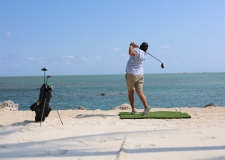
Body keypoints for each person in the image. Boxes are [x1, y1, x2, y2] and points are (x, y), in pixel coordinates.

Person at [125, 42, 151, 116]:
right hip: (140, 74)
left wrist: (131, 46)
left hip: (131, 74)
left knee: (130, 92)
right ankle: (146, 107)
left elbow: (130, 53)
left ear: (141, 46)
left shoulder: (138, 52)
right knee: (140, 92)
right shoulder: (144, 54)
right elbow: (133, 52)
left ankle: (133, 110)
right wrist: (134, 46)